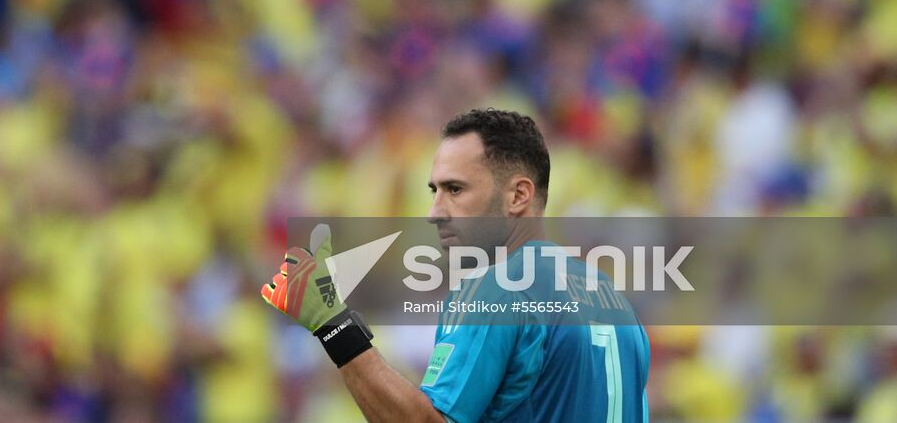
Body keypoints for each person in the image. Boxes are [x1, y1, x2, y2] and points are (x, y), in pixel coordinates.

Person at [261, 108, 650, 422]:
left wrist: (332, 324)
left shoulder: (498, 287)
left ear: (518, 195)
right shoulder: (614, 299)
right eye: (435, 191)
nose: (434, 213)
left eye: (455, 189)